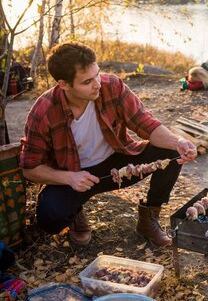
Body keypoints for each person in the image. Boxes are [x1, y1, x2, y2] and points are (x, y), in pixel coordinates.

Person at [20, 42, 197, 248]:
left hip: (117, 164)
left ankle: (149, 219)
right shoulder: (43, 111)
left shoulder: (112, 86)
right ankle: (76, 213)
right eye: (87, 81)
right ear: (64, 84)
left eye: (97, 74)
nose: (97, 84)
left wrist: (179, 141)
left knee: (172, 151)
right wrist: (69, 178)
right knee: (50, 219)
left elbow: (146, 124)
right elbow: (30, 168)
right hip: (75, 176)